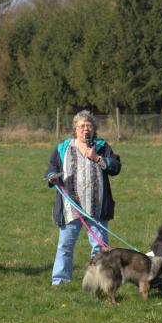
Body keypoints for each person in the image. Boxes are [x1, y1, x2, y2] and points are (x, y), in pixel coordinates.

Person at [45, 110, 121, 286]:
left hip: (97, 207)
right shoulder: (63, 147)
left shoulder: (103, 147)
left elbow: (115, 167)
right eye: (82, 126)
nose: (85, 129)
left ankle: (99, 282)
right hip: (71, 208)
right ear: (75, 129)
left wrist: (97, 158)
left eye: (89, 125)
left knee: (100, 248)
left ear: (94, 129)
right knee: (65, 246)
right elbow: (51, 168)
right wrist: (51, 176)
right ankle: (60, 280)